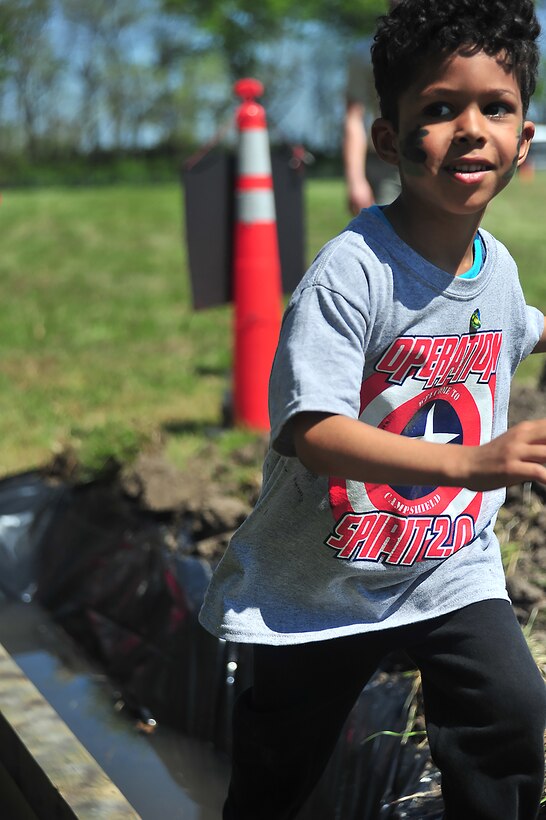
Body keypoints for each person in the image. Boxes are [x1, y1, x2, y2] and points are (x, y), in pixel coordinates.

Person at [200, 1, 546, 818]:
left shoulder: (496, 269)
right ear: (389, 140)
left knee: (510, 712)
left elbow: (512, 330)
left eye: (496, 107)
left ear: (525, 141)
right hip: (321, 581)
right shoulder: (348, 275)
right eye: (439, 108)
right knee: (279, 775)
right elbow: (313, 432)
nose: (471, 129)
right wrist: (469, 463)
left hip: (445, 563)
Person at [343, 0, 401, 213]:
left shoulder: (448, 47)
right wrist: (355, 179)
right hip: (387, 165)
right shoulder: (364, 53)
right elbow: (353, 117)